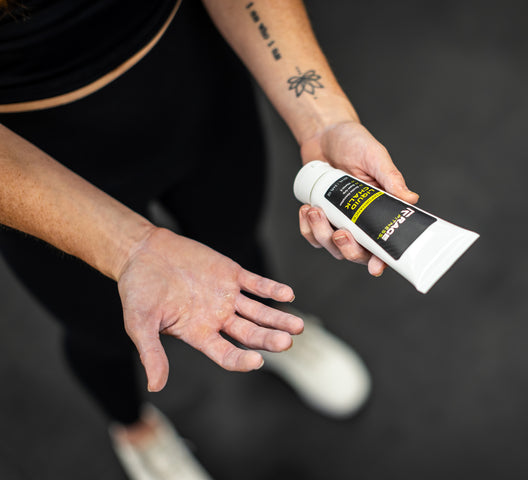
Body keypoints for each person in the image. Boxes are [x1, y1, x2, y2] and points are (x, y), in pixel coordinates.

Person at [0, 0, 419, 478]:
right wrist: (130, 246)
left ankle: (280, 332)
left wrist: (324, 120)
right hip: (29, 155)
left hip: (190, 80)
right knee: (101, 325)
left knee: (237, 244)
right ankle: (135, 429)